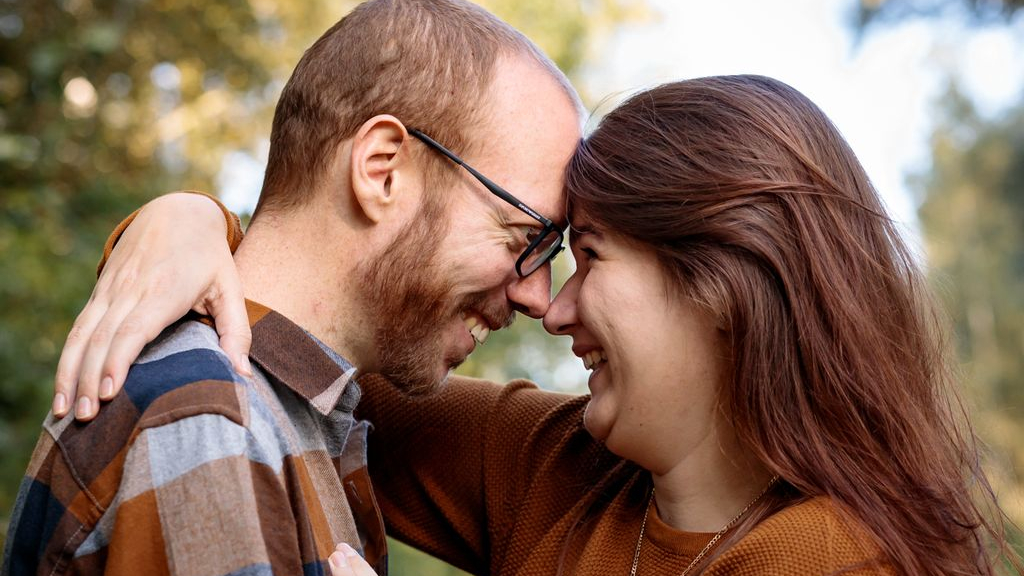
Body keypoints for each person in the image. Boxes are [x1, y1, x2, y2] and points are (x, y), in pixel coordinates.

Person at [34, 76, 1024, 576]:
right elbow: (302, 340)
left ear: (724, 281)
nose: (546, 308)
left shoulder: (836, 558)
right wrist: (188, 224)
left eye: (585, 257)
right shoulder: (554, 472)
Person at [1, 0, 583, 574]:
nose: (539, 299)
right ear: (382, 171)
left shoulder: (298, 412)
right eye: (524, 238)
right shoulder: (210, 423)